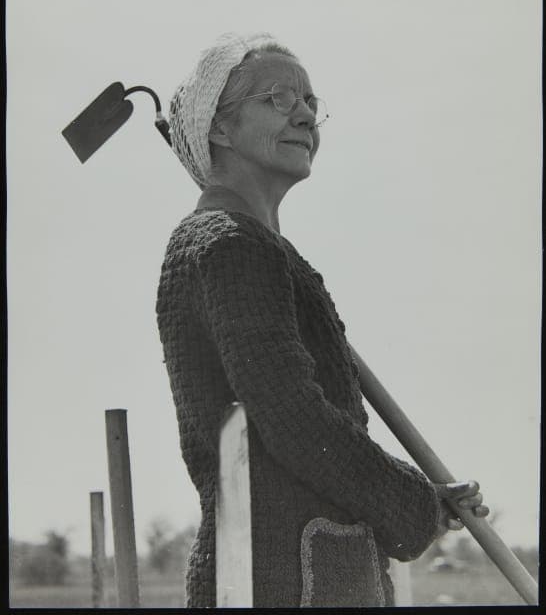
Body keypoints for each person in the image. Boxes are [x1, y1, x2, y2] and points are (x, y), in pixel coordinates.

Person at [155, 32, 488, 608]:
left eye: (310, 101)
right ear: (219, 129)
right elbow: (295, 421)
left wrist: (427, 500)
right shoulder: (231, 246)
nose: (305, 114)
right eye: (278, 99)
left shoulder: (254, 247)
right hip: (287, 580)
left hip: (300, 570)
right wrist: (415, 504)